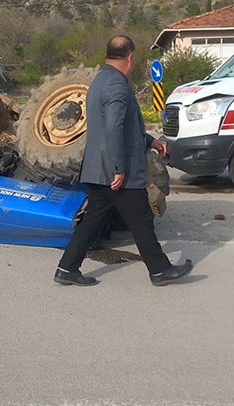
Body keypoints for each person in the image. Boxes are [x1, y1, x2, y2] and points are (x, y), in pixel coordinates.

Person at [54, 35, 193, 287]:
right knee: (141, 220)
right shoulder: (118, 86)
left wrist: (150, 141)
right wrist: (119, 168)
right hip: (117, 170)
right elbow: (114, 128)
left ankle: (66, 268)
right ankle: (160, 270)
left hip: (98, 168)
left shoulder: (100, 81)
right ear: (130, 57)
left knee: (92, 221)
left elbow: (126, 126)